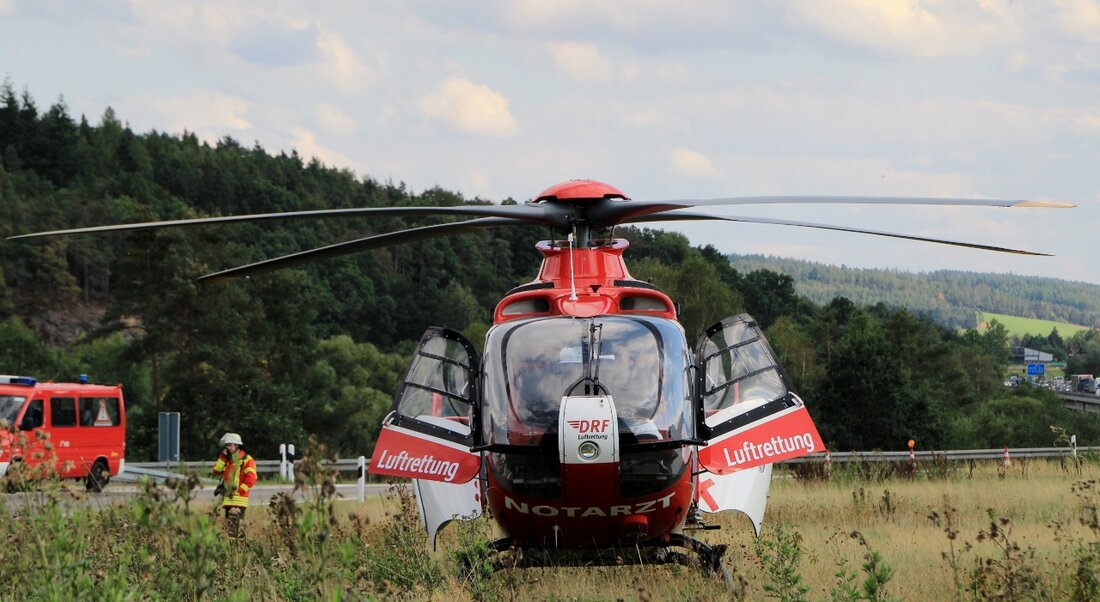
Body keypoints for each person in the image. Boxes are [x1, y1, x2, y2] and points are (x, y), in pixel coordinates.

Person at [211, 432, 257, 538]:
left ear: (237, 445)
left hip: (239, 500)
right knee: (230, 528)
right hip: (228, 499)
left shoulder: (247, 460)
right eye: (227, 445)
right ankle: (233, 549)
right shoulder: (229, 460)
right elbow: (216, 471)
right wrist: (223, 457)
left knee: (237, 528)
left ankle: (240, 548)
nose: (228, 448)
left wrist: (238, 491)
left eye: (230, 445)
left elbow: (251, 480)